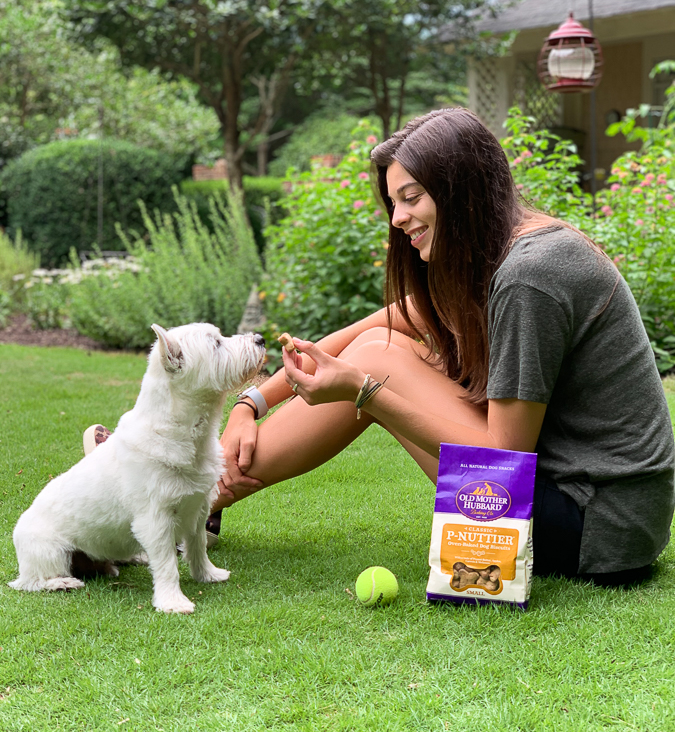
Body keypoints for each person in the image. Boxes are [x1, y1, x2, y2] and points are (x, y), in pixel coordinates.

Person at [210, 107, 674, 585]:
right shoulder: (498, 253)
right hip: (589, 503)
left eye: (411, 198)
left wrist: (364, 391)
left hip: (599, 524)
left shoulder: (529, 276)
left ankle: (195, 495)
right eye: (393, 202)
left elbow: (502, 457)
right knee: (377, 344)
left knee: (376, 362)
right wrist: (252, 402)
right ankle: (201, 493)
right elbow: (373, 329)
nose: (398, 219)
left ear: (462, 192)